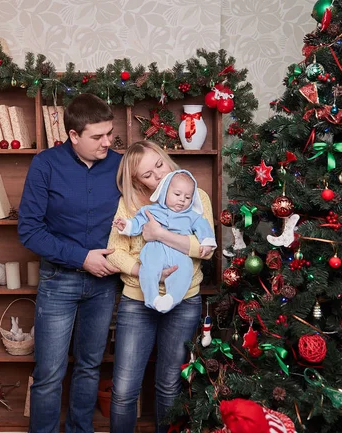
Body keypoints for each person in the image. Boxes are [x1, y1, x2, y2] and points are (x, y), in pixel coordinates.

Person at [18, 93, 122, 433]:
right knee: (49, 373)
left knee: (91, 366)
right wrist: (81, 258)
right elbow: (30, 231)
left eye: (109, 133)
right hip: (58, 281)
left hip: (105, 282)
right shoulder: (45, 164)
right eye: (97, 136)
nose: (107, 142)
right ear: (73, 136)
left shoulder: (120, 164)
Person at [106, 140, 216, 433]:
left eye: (159, 164)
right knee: (125, 389)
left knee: (169, 384)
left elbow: (206, 248)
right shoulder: (129, 204)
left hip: (184, 302)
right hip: (136, 302)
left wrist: (159, 234)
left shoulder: (194, 196)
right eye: (147, 174)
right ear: (135, 180)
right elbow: (114, 251)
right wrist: (147, 273)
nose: (158, 174)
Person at [112, 169, 216, 313]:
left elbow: (204, 228)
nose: (182, 200)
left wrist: (207, 242)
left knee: (185, 270)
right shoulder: (151, 210)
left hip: (179, 254)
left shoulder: (192, 216)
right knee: (148, 269)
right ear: (165, 191)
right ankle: (152, 297)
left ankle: (171, 298)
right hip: (155, 250)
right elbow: (137, 222)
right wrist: (126, 225)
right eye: (177, 194)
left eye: (188, 197)